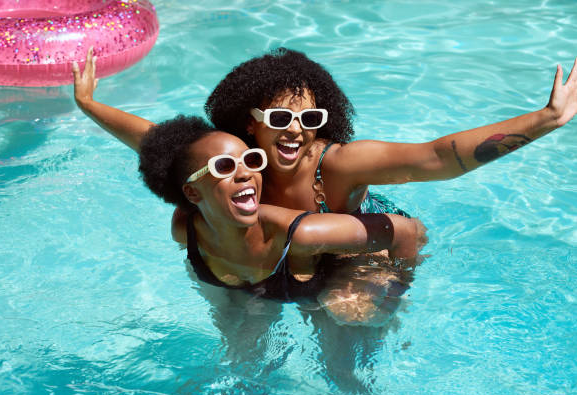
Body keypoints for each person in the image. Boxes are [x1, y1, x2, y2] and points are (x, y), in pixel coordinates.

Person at [73, 48, 577, 219]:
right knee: (238, 309)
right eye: (279, 119)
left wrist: (543, 120)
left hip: (358, 248)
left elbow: (436, 158)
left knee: (348, 313)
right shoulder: (235, 161)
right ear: (251, 123)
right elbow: (154, 139)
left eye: (310, 121)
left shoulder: (336, 164)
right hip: (282, 253)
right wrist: (88, 103)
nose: (295, 132)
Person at [138, 115, 426, 301]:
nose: (244, 174)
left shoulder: (300, 233)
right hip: (252, 292)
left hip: (321, 284)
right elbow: (158, 148)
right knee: (241, 369)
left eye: (252, 161)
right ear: (190, 192)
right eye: (224, 166)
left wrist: (393, 296)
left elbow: (405, 231)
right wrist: (90, 104)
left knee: (345, 356)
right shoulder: (184, 230)